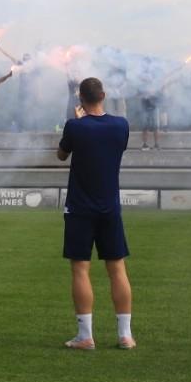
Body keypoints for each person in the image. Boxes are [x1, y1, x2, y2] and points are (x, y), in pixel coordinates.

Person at [57, 77, 135, 350]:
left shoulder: (75, 126)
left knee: (80, 269)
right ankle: (125, 334)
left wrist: (78, 121)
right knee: (117, 268)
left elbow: (61, 154)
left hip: (80, 207)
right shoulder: (121, 125)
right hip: (110, 206)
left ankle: (85, 335)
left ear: (81, 99)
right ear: (103, 95)